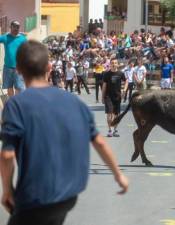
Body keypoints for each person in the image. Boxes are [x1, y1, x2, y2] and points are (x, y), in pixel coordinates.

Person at [0, 40, 129, 225]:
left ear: (18, 69)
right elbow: (99, 142)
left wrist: (7, 190)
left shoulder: (16, 105)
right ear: (49, 67)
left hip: (36, 196)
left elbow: (6, 155)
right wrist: (118, 175)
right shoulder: (74, 101)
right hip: (68, 194)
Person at [102, 58, 128, 137]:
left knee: (116, 115)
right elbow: (104, 86)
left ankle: (115, 130)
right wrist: (102, 96)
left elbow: (126, 81)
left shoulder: (120, 73)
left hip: (117, 96)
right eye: (112, 63)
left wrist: (124, 90)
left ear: (117, 64)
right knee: (109, 113)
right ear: (110, 64)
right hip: (108, 96)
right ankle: (110, 130)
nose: (113, 64)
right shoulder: (106, 74)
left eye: (115, 63)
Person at [0, 21, 27, 97]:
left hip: (19, 68)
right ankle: (12, 103)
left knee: (19, 87)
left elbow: (27, 50)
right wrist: (4, 34)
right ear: (10, 27)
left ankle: (17, 103)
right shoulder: (5, 37)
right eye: (14, 26)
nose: (16, 28)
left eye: (17, 27)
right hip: (7, 67)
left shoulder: (23, 39)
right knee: (9, 87)